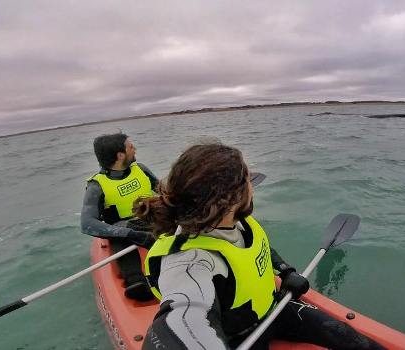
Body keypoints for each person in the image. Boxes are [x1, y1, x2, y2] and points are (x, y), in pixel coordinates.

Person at [135, 143, 384, 349]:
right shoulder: (190, 261)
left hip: (273, 309)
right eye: (247, 179)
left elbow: (257, 248)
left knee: (352, 340)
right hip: (241, 339)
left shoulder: (237, 222)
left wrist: (285, 270)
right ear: (229, 199)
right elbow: (180, 320)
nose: (252, 184)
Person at [81, 132, 158, 301]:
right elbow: (87, 223)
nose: (135, 149)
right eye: (131, 147)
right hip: (126, 228)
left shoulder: (141, 169)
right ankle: (136, 280)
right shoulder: (97, 186)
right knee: (120, 233)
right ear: (120, 155)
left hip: (152, 218)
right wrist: (133, 235)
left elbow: (164, 191)